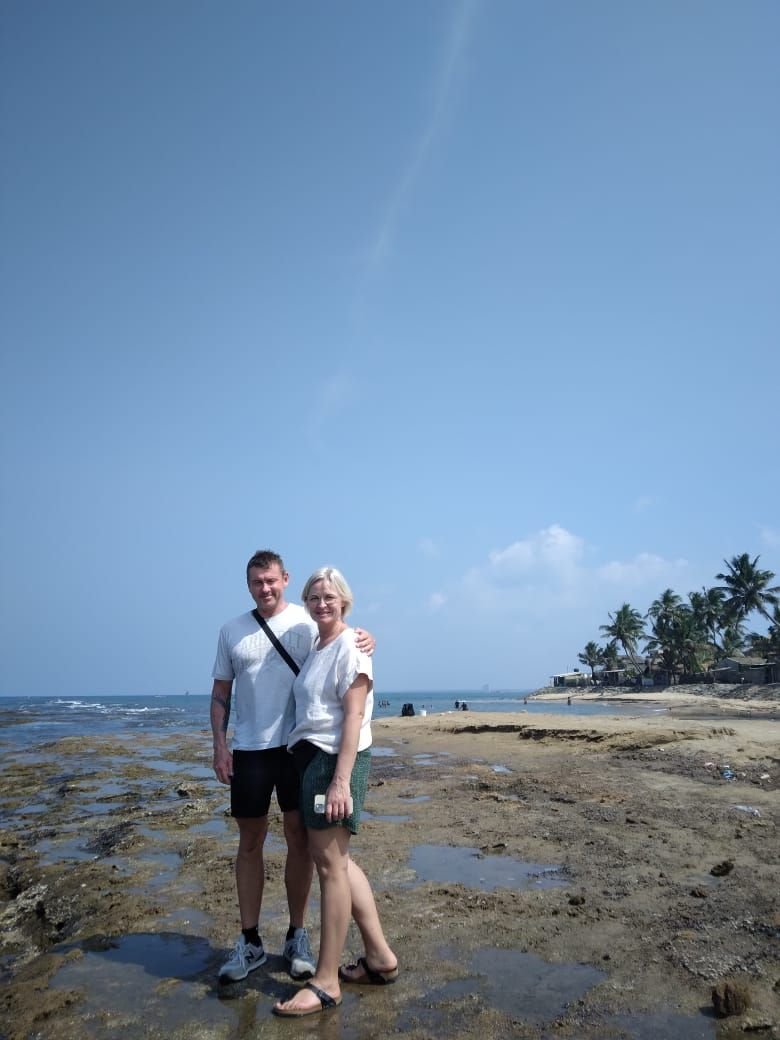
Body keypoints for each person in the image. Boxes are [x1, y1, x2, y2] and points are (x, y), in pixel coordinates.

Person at [210, 550, 375, 985]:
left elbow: (341, 638)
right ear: (248, 585)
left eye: (271, 580)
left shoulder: (306, 622)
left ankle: (296, 936)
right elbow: (220, 692)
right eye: (256, 582)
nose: (265, 588)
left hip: (297, 750)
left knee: (300, 840)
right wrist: (220, 746)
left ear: (285, 579)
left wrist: (367, 637)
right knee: (250, 841)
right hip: (249, 749)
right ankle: (250, 941)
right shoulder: (231, 631)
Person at [273, 567, 397, 1018]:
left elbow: (354, 717)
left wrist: (341, 780)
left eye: (329, 597)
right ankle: (380, 957)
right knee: (338, 861)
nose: (321, 603)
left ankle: (326, 981)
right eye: (314, 597)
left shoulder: (350, 646)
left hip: (332, 762)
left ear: (344, 600)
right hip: (310, 758)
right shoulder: (317, 645)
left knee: (329, 868)